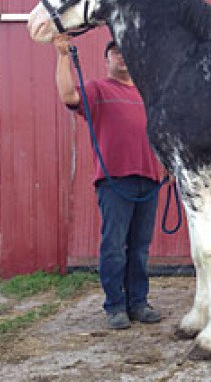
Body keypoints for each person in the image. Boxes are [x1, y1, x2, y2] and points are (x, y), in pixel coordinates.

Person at [53, 35, 163, 330]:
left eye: (126, 51)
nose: (121, 56)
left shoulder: (147, 94)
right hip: (116, 181)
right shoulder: (98, 90)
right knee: (114, 246)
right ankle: (115, 306)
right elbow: (68, 96)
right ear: (106, 61)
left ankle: (138, 303)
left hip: (150, 179)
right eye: (114, 52)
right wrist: (63, 57)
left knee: (140, 247)